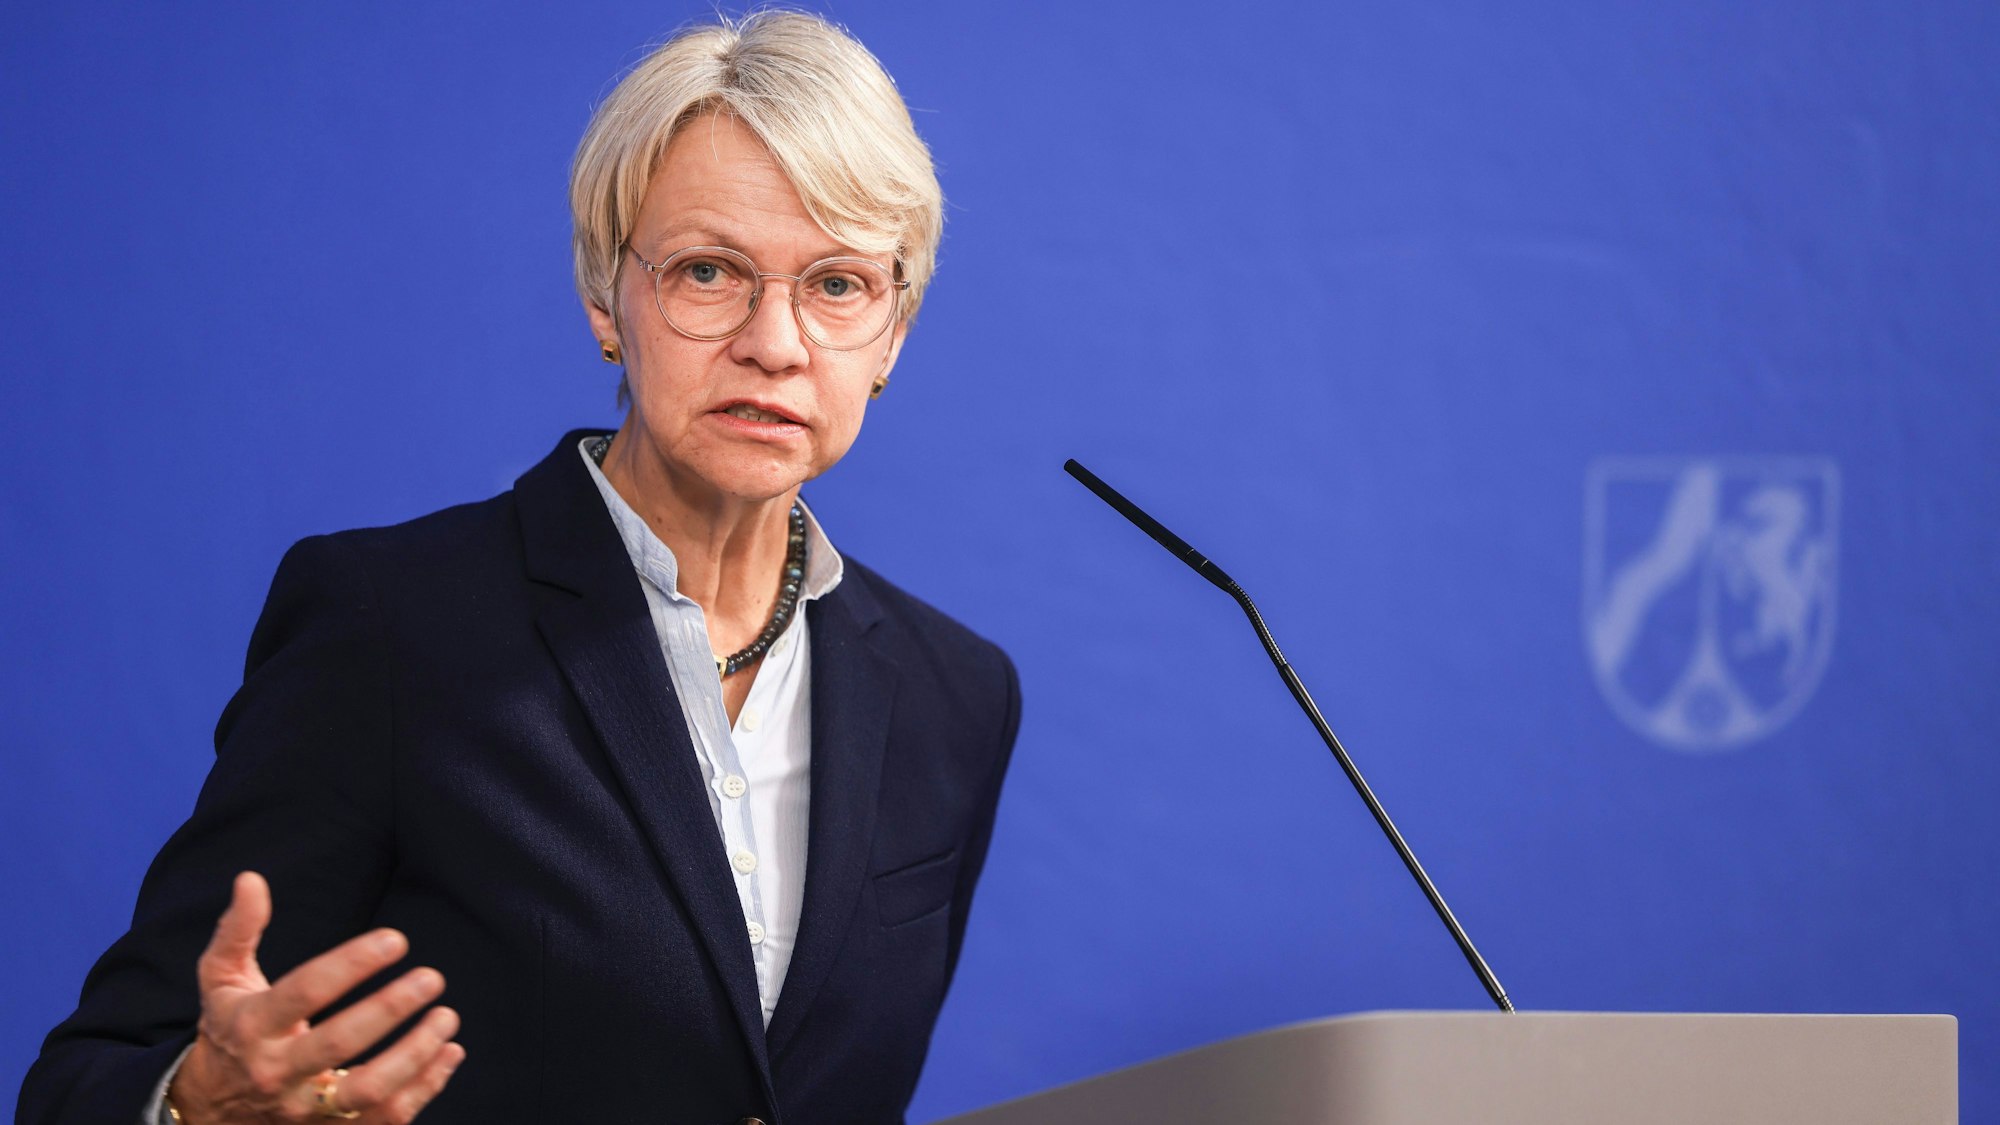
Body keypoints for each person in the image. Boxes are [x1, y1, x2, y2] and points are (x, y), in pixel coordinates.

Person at [19, 12, 1020, 1125]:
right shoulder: (388, 630)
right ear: (605, 298)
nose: (775, 344)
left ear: (892, 333)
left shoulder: (955, 696)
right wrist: (197, 1106)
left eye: (836, 285)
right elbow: (90, 1081)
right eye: (707, 270)